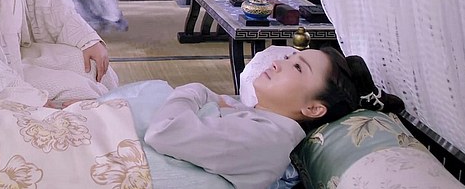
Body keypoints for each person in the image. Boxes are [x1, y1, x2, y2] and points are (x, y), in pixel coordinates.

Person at [141, 47, 404, 189]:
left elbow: (164, 131)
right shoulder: (256, 118)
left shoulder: (265, 139)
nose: (278, 63)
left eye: (297, 67)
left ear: (313, 108)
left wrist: (195, 90)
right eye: (289, 57)